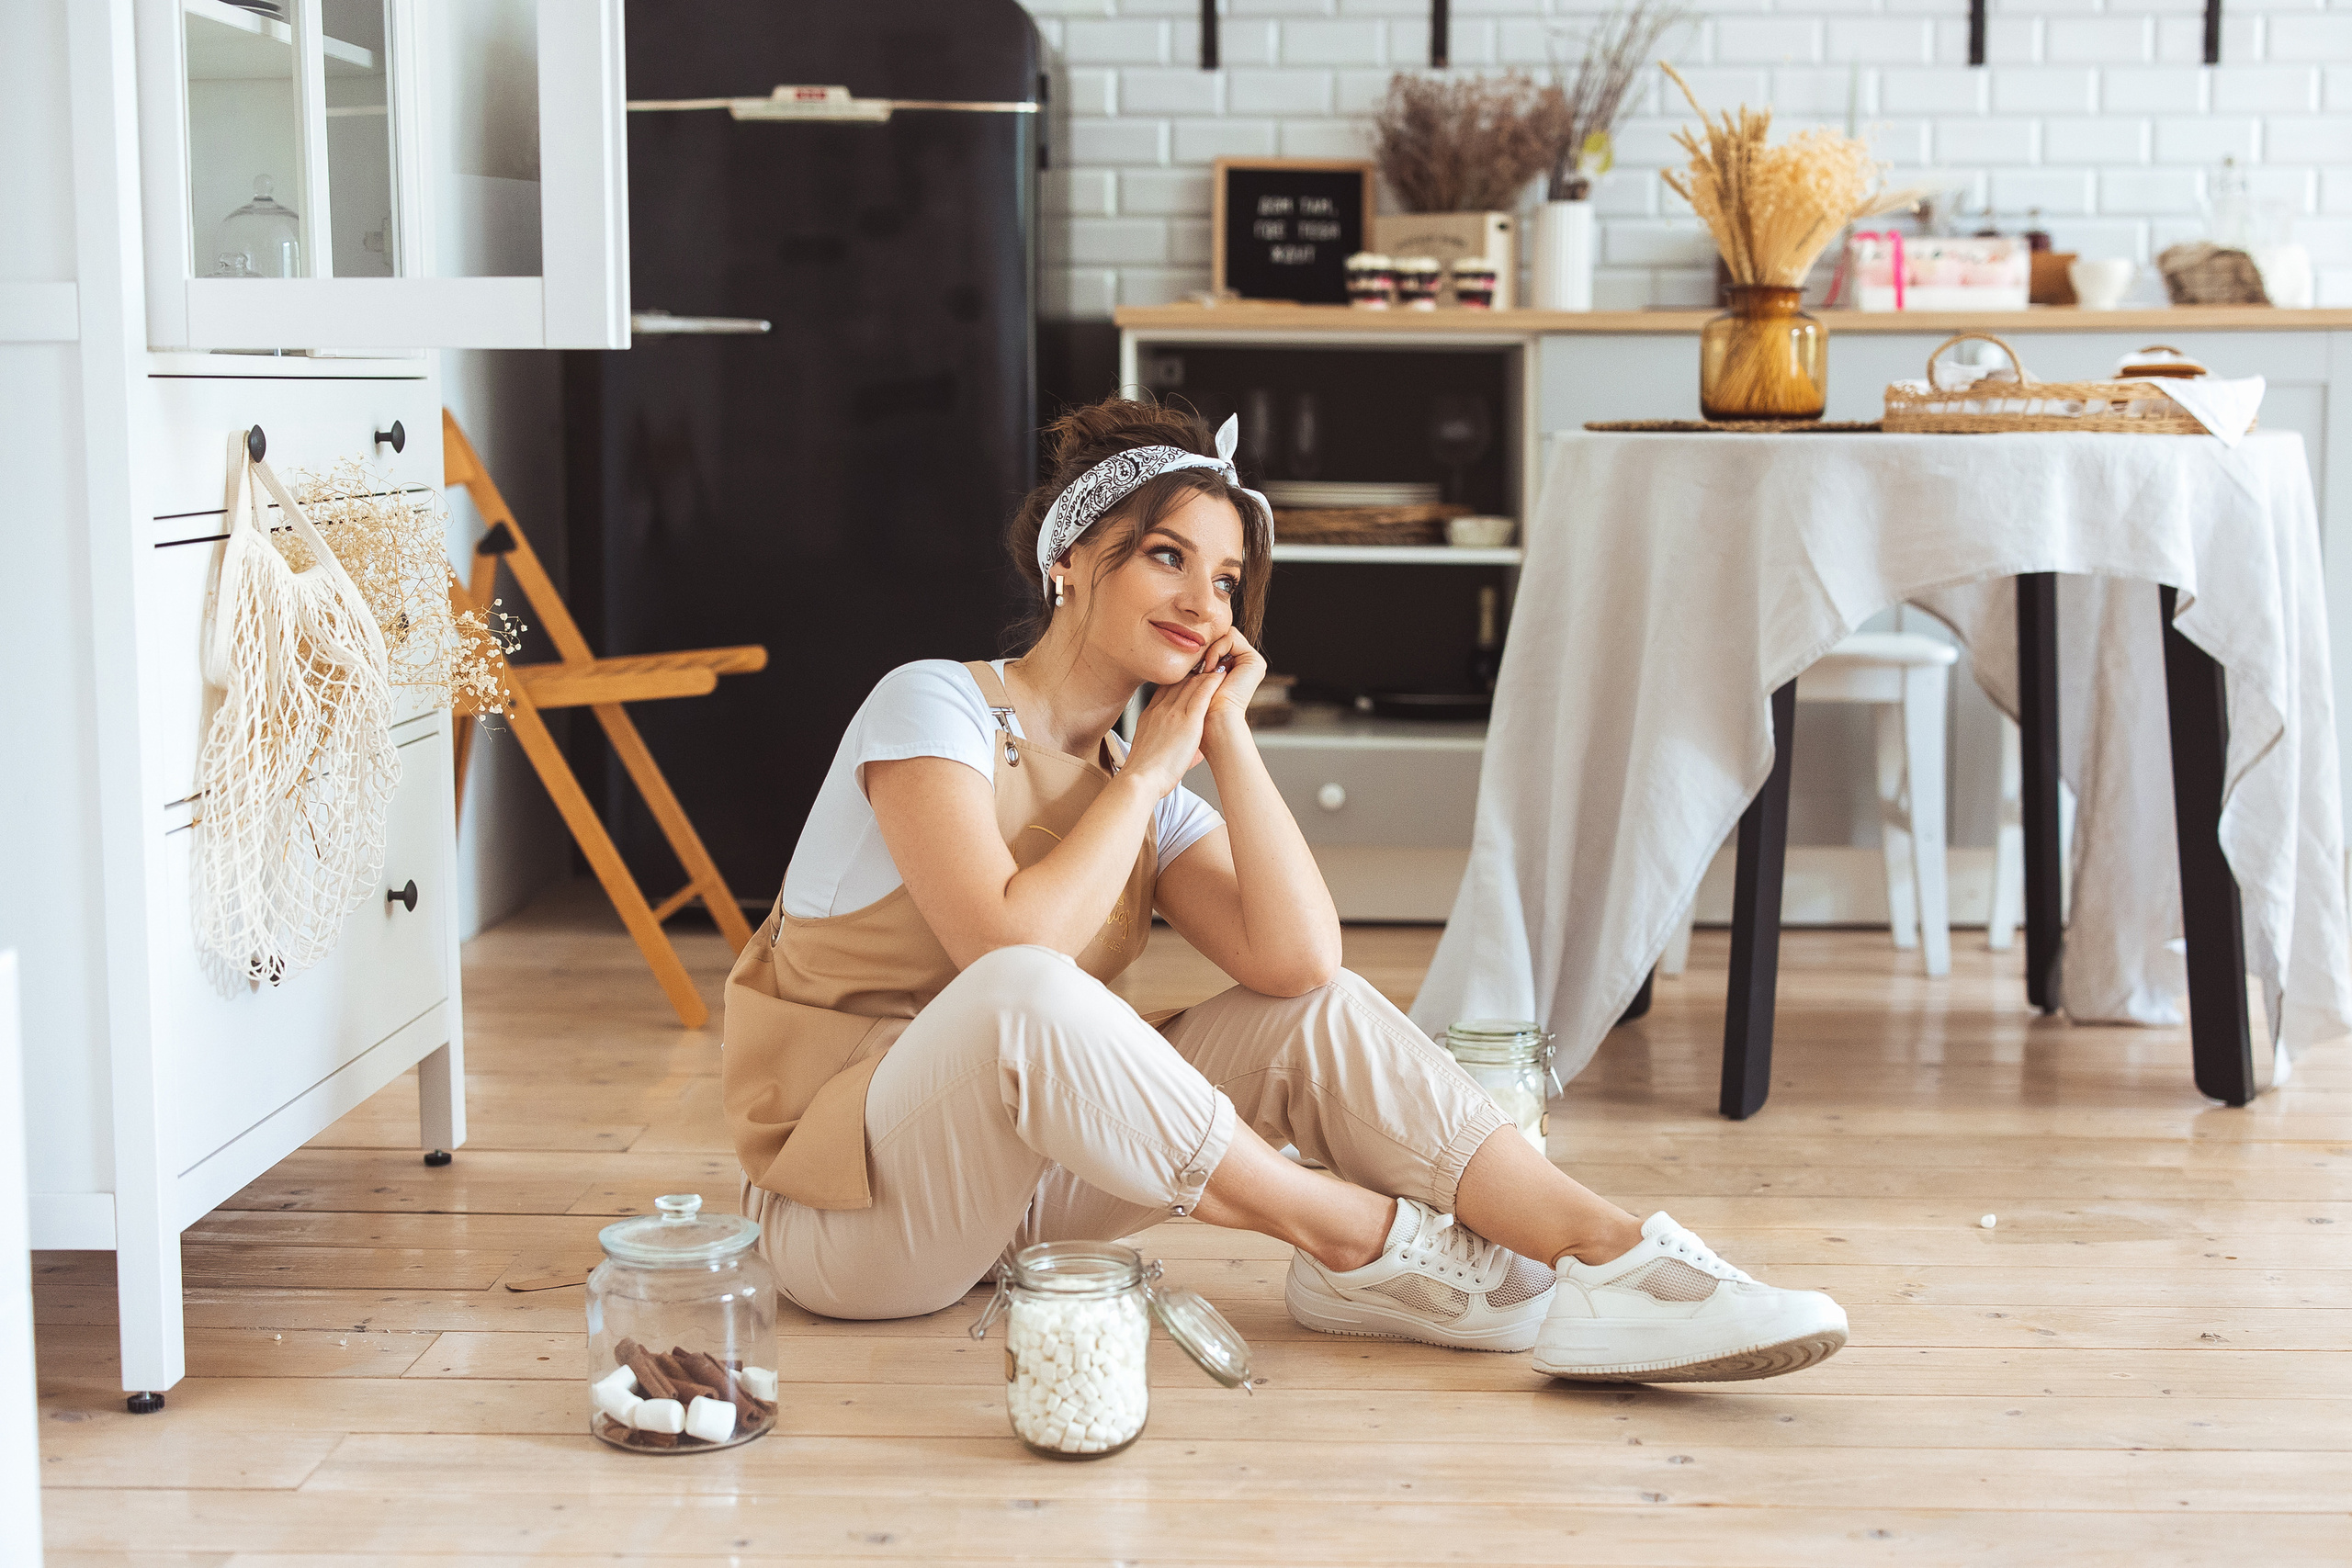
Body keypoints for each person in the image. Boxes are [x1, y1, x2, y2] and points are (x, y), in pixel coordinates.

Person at [723, 397, 1848, 1382]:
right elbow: (1007, 953)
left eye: (1225, 580)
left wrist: (1225, 745)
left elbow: (1302, 967)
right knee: (1029, 991)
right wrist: (1156, 766)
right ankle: (1361, 1243)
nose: (1206, 604)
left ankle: (1619, 1260)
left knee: (1309, 1013)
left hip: (1027, 1214)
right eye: (1167, 557)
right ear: (1069, 559)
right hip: (849, 1219)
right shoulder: (934, 706)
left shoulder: (1143, 783)